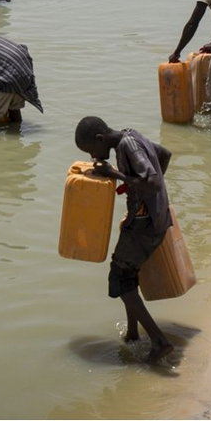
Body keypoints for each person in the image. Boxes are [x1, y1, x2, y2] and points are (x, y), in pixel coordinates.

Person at [74, 116, 174, 365]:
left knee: (119, 279)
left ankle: (159, 342)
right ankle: (132, 333)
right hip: (151, 219)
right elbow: (164, 155)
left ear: (100, 139)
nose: (93, 156)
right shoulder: (132, 135)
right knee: (128, 275)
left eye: (91, 150)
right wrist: (146, 200)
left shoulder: (127, 146)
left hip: (145, 226)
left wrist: (115, 174)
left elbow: (151, 182)